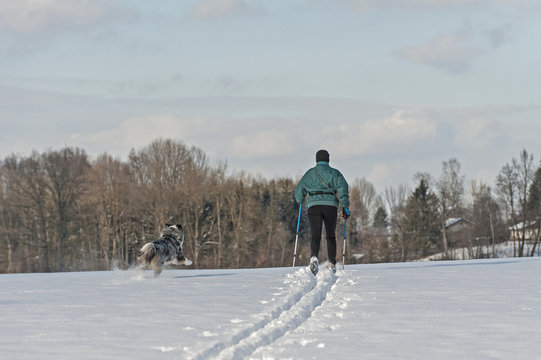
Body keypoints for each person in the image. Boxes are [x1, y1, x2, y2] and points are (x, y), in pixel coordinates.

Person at [295, 149, 350, 275]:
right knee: (330, 235)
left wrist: (300, 200)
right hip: (330, 206)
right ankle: (332, 262)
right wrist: (345, 206)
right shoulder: (335, 173)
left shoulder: (310, 173)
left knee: (316, 234)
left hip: (314, 206)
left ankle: (314, 257)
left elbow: (299, 190)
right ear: (328, 159)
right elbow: (343, 189)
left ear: (316, 160)